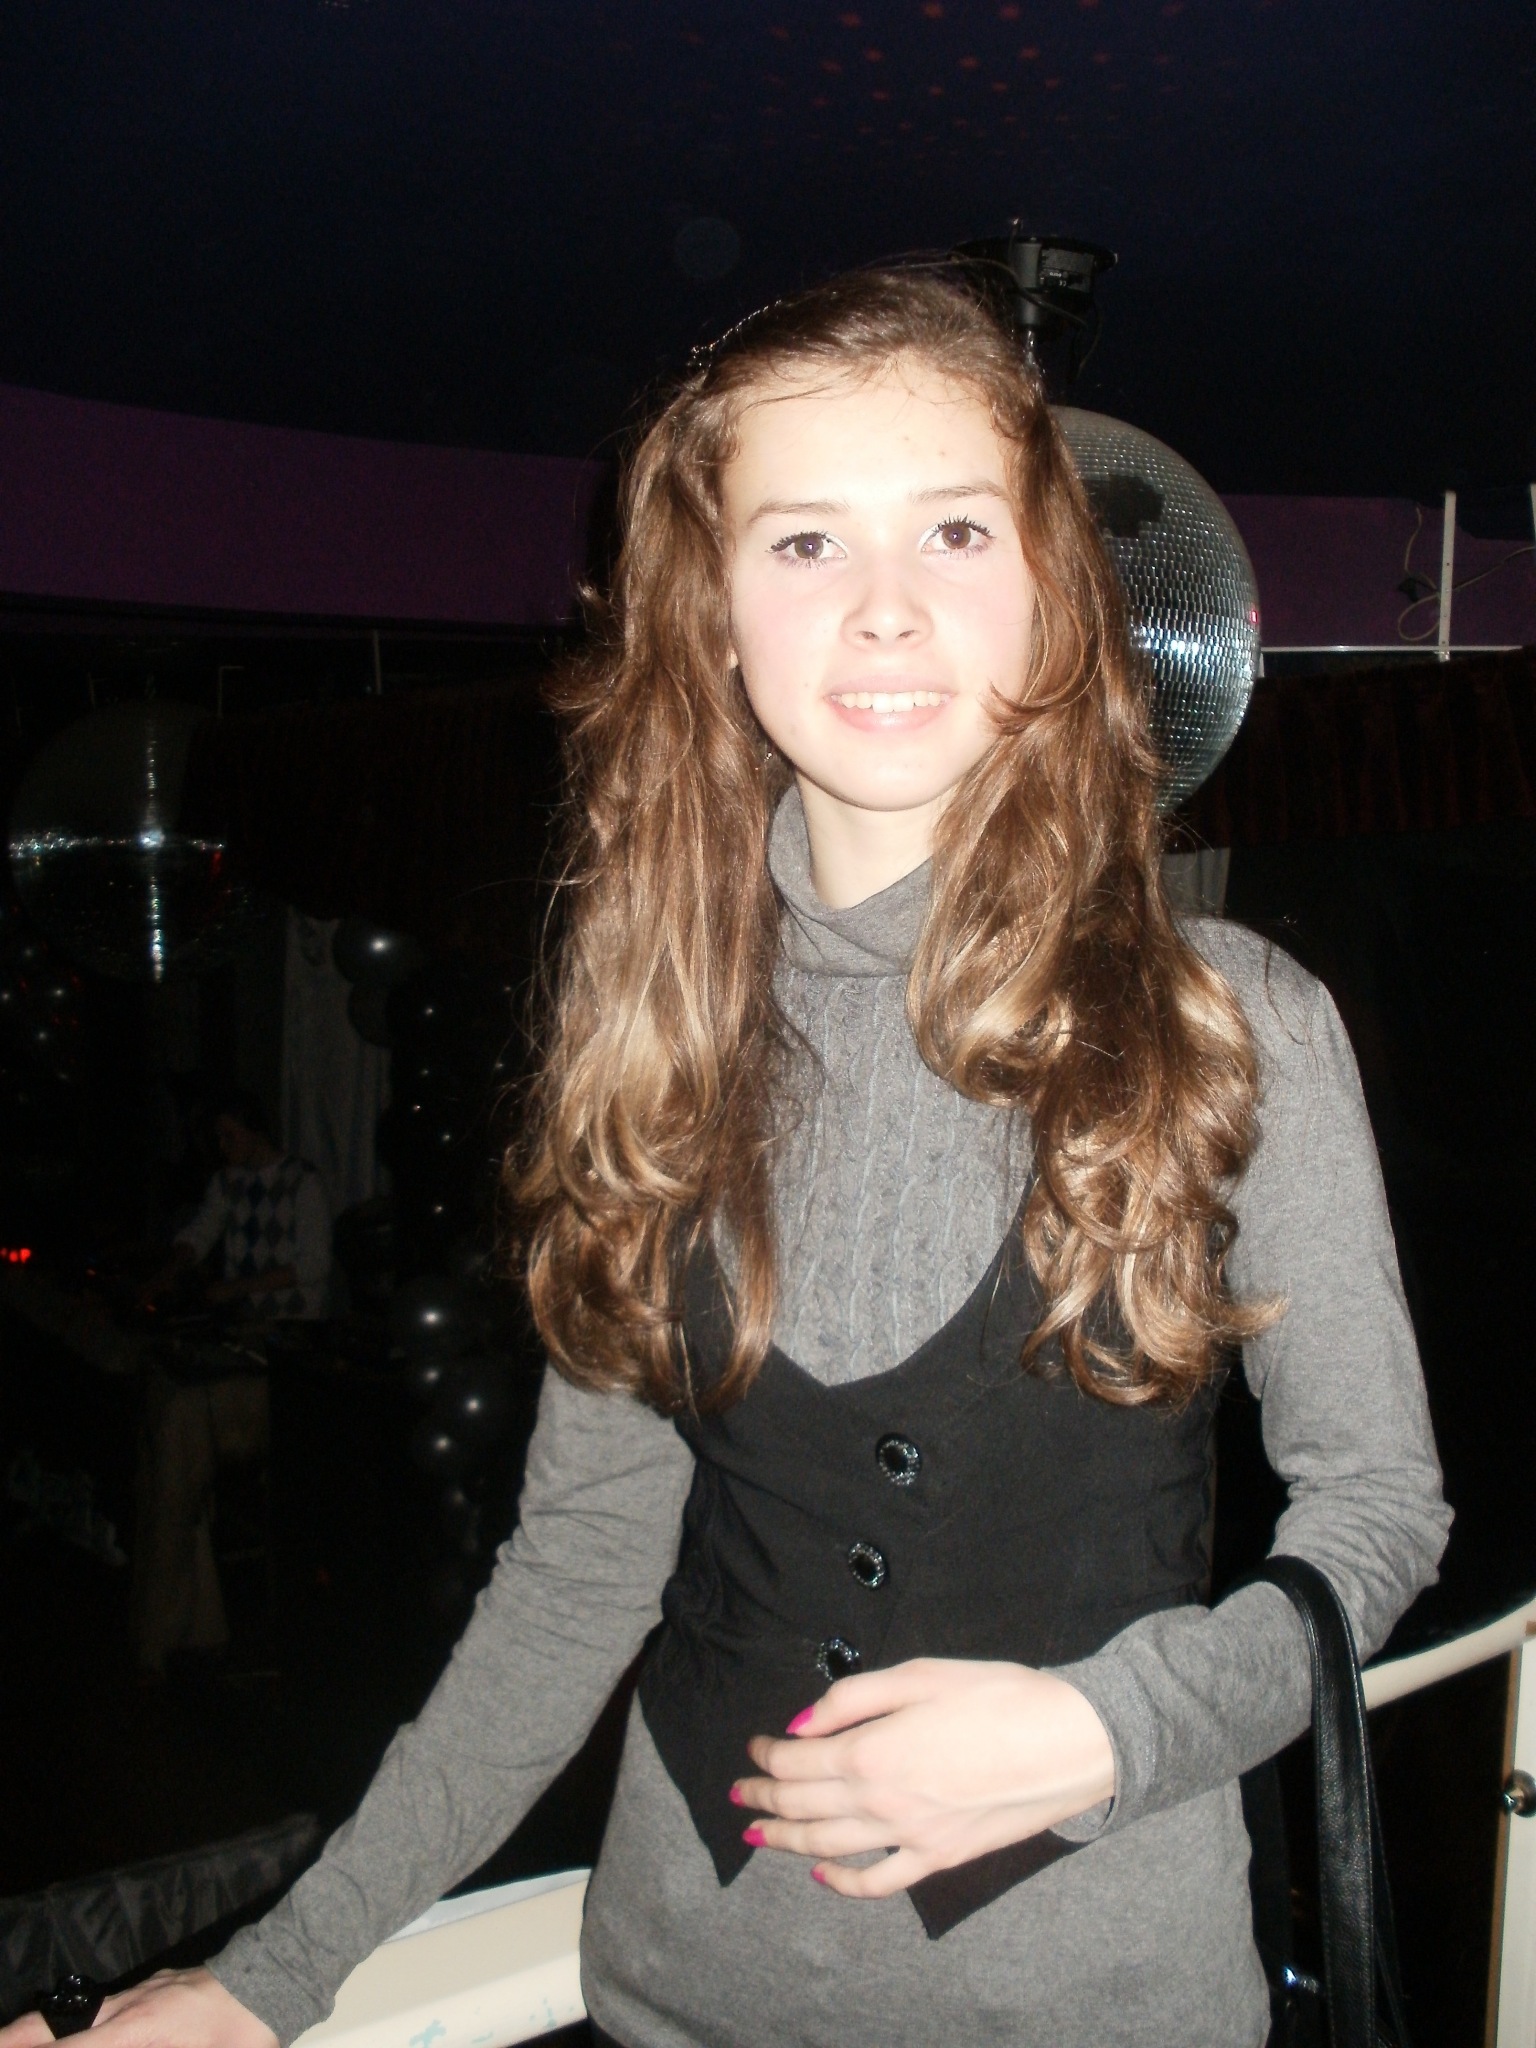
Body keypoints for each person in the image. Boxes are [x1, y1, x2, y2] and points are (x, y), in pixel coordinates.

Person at [2, 270, 1448, 2046]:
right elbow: (578, 1574)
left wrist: (1105, 1728)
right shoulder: (653, 1044)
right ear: (716, 617)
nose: (886, 607)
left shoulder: (1229, 1021)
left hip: (1101, 1998)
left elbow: (1381, 1514)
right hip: (683, 1987)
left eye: (954, 531)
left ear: (1053, 595)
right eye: (804, 542)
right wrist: (266, 1978)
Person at [130, 1091, 330, 1678]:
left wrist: (235, 1289)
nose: (221, 1148)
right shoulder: (228, 1183)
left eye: (228, 1136)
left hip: (289, 1338)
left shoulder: (303, 1183)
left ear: (254, 1130)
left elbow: (313, 1266)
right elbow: (200, 1232)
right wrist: (166, 1273)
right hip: (242, 1330)